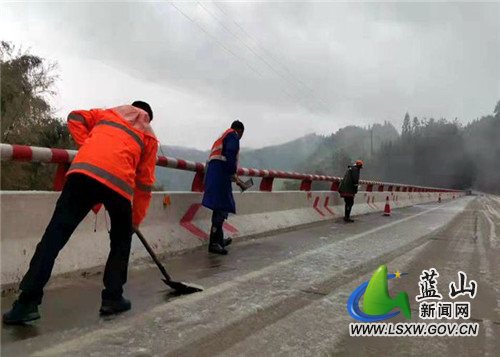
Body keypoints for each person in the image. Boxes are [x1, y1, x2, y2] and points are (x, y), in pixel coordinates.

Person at [3, 101, 158, 324]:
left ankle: (26, 303)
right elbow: (144, 184)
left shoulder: (107, 114)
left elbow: (75, 117)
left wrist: (88, 145)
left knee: (53, 238)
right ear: (148, 118)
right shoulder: (149, 136)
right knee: (120, 241)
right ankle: (112, 298)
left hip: (83, 173)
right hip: (118, 183)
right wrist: (135, 221)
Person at [202, 120, 246, 255]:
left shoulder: (223, 136)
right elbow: (230, 156)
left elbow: (223, 158)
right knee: (220, 207)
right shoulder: (233, 135)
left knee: (221, 206)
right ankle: (214, 243)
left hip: (217, 173)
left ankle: (219, 240)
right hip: (219, 175)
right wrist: (233, 172)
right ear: (240, 131)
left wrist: (235, 178)